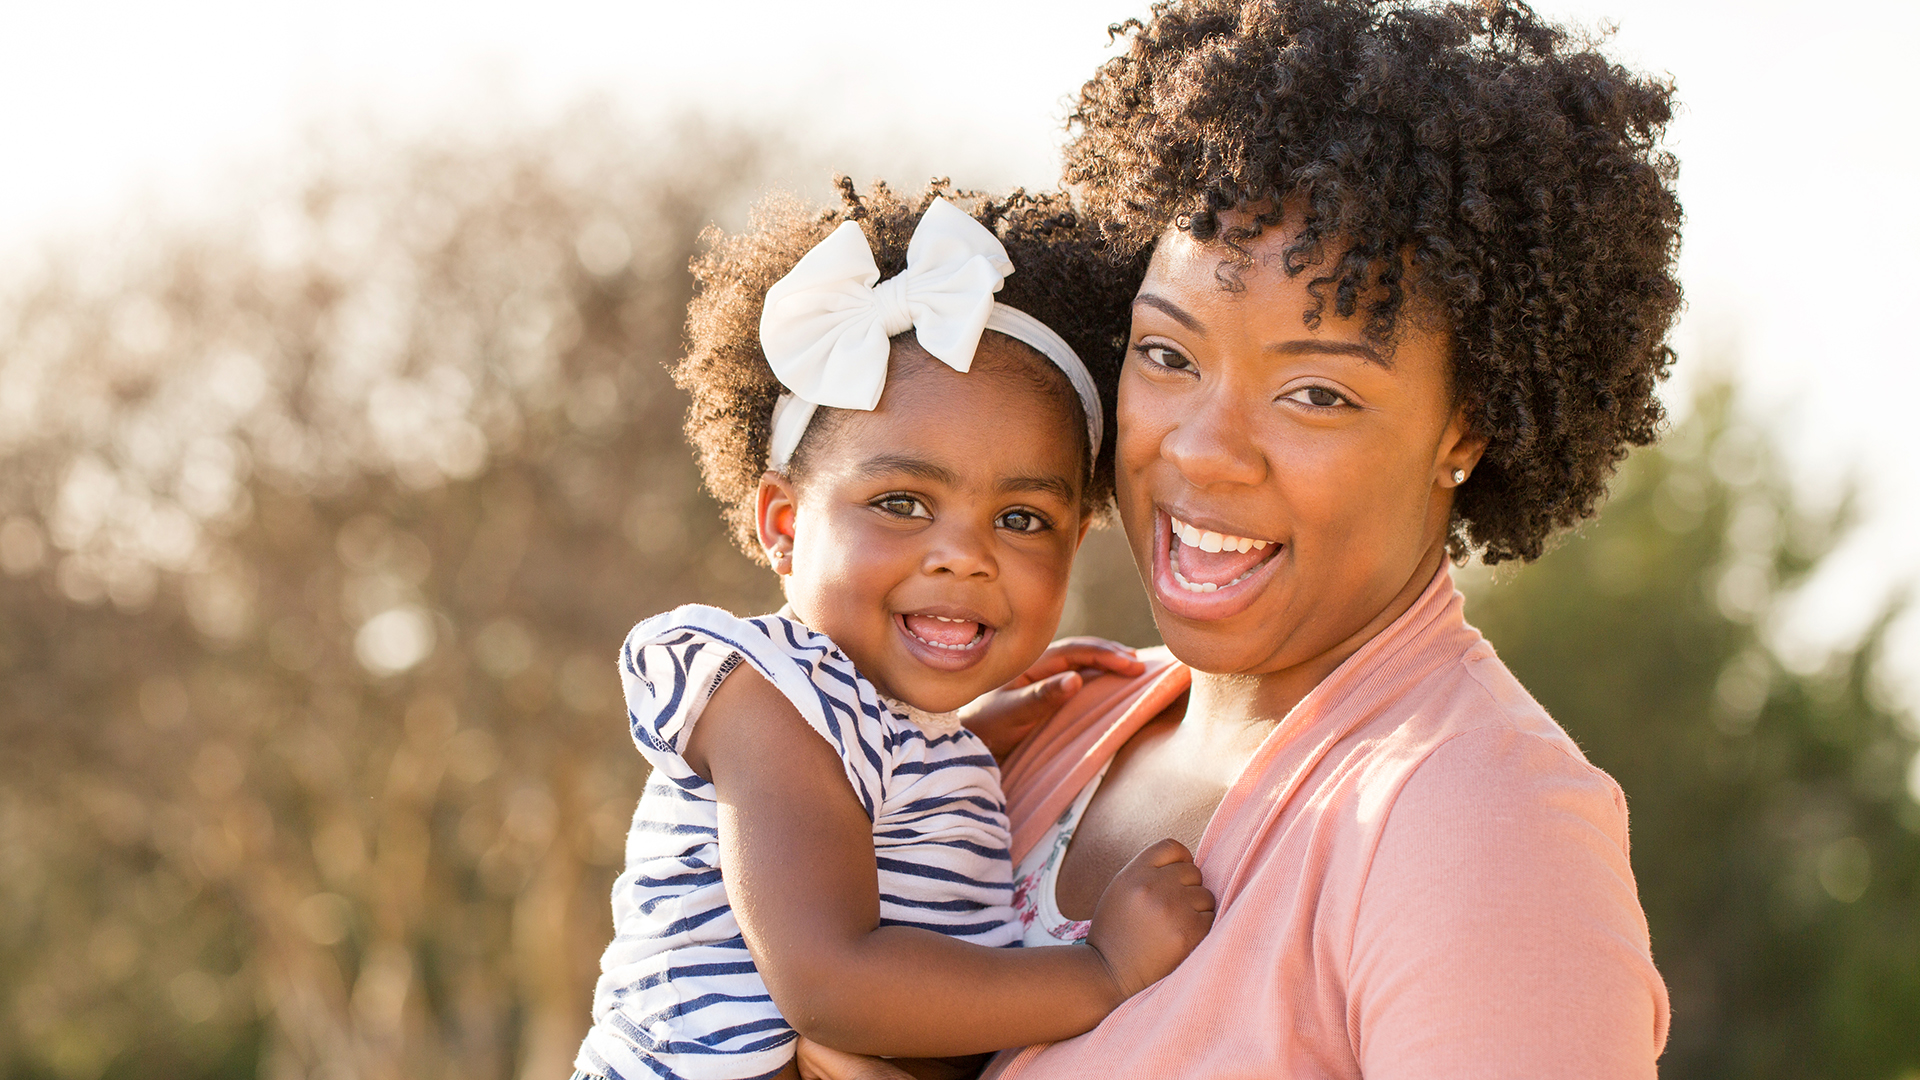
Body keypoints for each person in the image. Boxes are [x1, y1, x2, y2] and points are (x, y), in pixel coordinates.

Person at [795, 1, 1686, 1077]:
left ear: (1466, 429)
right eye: (1169, 357)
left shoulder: (1484, 830)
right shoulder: (1047, 730)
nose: (1206, 452)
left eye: (1314, 392)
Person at [571, 183, 1216, 1080]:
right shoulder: (769, 697)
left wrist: (980, 739)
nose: (965, 555)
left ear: (1077, 538)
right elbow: (829, 983)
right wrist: (1099, 972)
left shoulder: (878, 730)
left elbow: (873, 804)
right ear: (785, 526)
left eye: (1023, 518)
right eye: (902, 503)